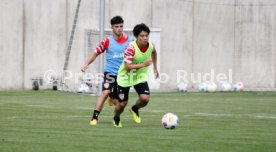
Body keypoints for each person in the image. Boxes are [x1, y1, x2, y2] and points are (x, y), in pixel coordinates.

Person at [81, 16, 133, 125]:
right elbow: (95, 53)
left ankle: (116, 115)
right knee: (105, 92)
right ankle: (94, 118)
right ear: (112, 28)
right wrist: (86, 64)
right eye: (116, 26)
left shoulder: (130, 41)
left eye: (121, 26)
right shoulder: (107, 41)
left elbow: (136, 55)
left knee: (119, 103)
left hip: (123, 75)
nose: (119, 28)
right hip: (110, 72)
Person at [113, 23, 159, 127]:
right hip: (125, 78)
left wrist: (155, 68)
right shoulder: (130, 48)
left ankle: (134, 109)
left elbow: (154, 53)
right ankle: (116, 116)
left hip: (139, 77)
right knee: (122, 104)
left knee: (145, 99)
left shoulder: (151, 45)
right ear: (136, 37)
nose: (145, 38)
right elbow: (127, 67)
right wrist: (144, 64)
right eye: (142, 36)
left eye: (146, 35)